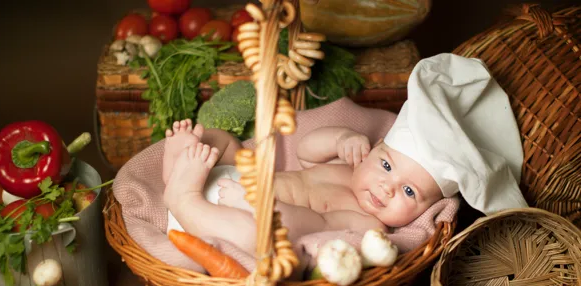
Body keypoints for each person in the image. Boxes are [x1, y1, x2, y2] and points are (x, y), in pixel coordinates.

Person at [162, 53, 529, 255]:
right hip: (222, 179)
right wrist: (340, 139)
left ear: (423, 210)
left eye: (409, 192)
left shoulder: (370, 225)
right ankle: (181, 159)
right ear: (372, 152)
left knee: (252, 237)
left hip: (234, 219)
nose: (387, 187)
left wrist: (265, 212)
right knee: (224, 142)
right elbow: (305, 150)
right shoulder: (345, 168)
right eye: (386, 165)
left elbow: (314, 227)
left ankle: (182, 197)